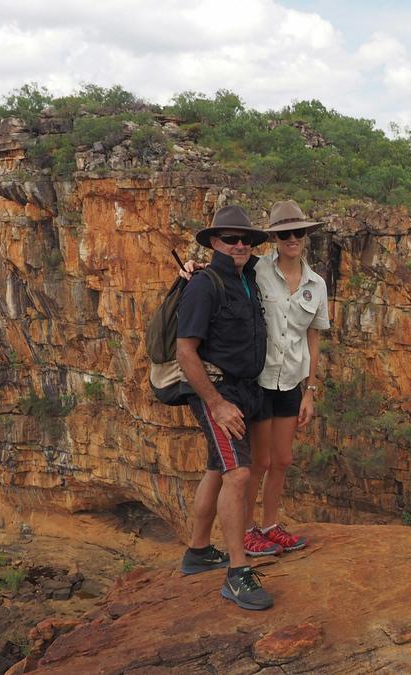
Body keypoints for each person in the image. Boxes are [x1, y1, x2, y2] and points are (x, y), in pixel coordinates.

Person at [175, 204, 274, 611]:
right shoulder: (204, 283)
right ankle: (237, 572)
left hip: (246, 391)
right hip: (219, 393)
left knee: (217, 469)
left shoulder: (246, 277)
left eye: (245, 239)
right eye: (230, 238)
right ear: (214, 241)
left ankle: (198, 552)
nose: (239, 244)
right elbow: (185, 350)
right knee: (239, 474)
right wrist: (216, 405)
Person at [243, 200, 329, 555]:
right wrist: (192, 268)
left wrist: (309, 391)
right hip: (260, 380)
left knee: (282, 460)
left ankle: (270, 525)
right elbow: (219, 273)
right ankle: (247, 530)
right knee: (258, 461)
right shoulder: (257, 269)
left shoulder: (316, 284)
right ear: (274, 238)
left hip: (291, 381)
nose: (291, 238)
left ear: (305, 236)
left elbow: (313, 335)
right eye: (283, 234)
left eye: (297, 232)